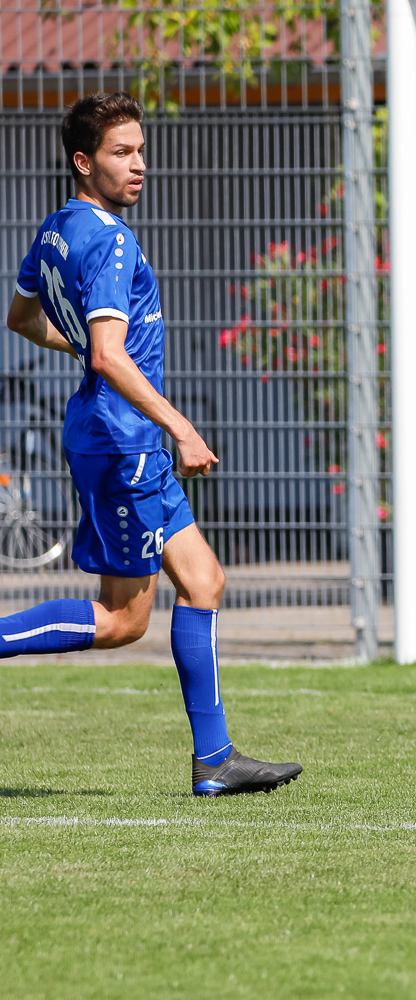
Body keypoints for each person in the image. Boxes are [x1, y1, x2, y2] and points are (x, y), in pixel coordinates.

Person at [4, 92, 301, 796]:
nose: (139, 164)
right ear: (84, 162)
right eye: (122, 152)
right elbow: (108, 354)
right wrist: (181, 426)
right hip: (123, 442)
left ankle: (215, 761)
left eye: (141, 150)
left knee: (203, 581)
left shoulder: (57, 228)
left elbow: (22, 317)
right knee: (121, 621)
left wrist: (84, 349)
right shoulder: (110, 241)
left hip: (120, 436)